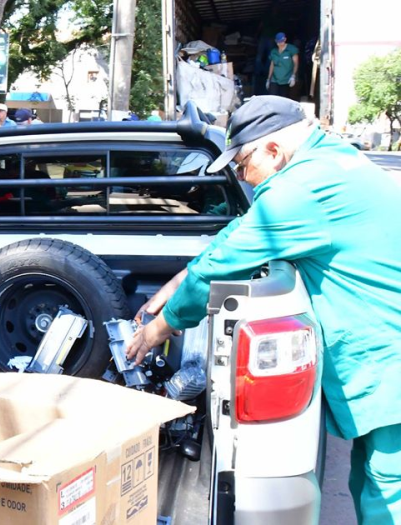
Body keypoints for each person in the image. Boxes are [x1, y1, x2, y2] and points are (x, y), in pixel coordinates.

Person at [126, 96, 401, 525]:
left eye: (242, 163)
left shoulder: (303, 191)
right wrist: (176, 282)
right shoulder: (327, 163)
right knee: (371, 477)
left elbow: (226, 262)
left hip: (389, 361)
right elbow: (242, 230)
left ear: (273, 150)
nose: (240, 175)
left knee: (387, 490)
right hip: (383, 355)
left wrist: (160, 328)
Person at [266, 32, 299, 99]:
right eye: (278, 42)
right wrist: (268, 79)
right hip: (274, 79)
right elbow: (272, 65)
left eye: (281, 42)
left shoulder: (291, 49)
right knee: (272, 98)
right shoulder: (274, 52)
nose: (280, 44)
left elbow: (296, 63)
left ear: (285, 40)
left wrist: (293, 76)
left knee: (284, 99)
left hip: (286, 80)